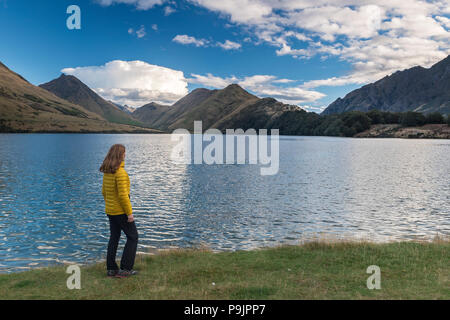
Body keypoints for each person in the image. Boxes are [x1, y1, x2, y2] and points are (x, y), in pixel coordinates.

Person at [100, 144, 138, 278]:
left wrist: (110, 205)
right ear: (120, 155)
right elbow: (123, 195)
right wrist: (129, 213)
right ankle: (126, 269)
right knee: (133, 237)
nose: (125, 155)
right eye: (124, 153)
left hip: (110, 211)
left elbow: (104, 192)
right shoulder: (120, 172)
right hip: (121, 212)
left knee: (114, 238)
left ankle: (111, 269)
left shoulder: (107, 171)